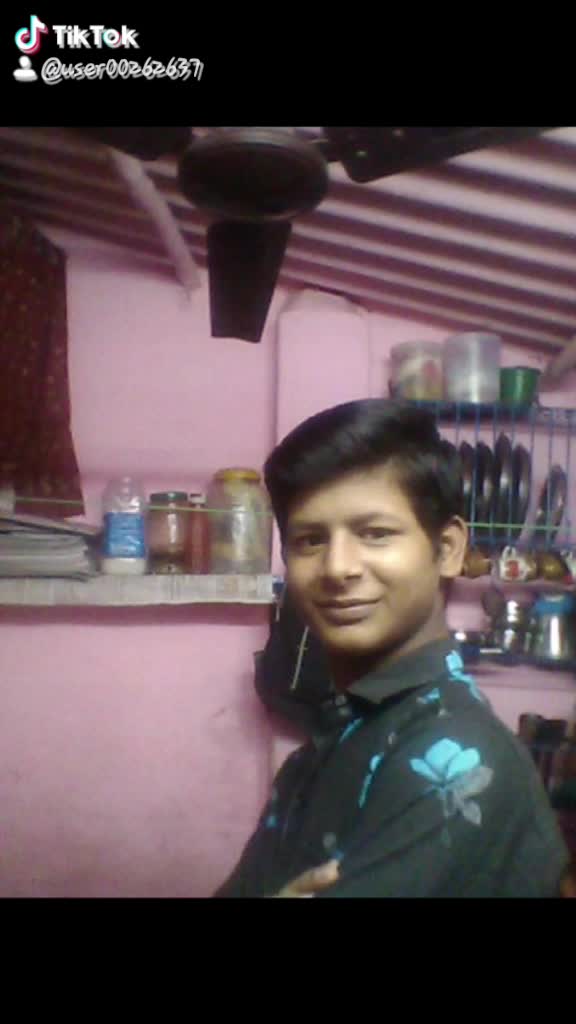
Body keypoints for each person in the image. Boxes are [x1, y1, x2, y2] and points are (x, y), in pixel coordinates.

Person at [214, 400, 570, 897]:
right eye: (310, 540)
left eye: (375, 534)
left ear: (448, 550)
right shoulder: (336, 737)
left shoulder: (455, 763)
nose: (338, 568)